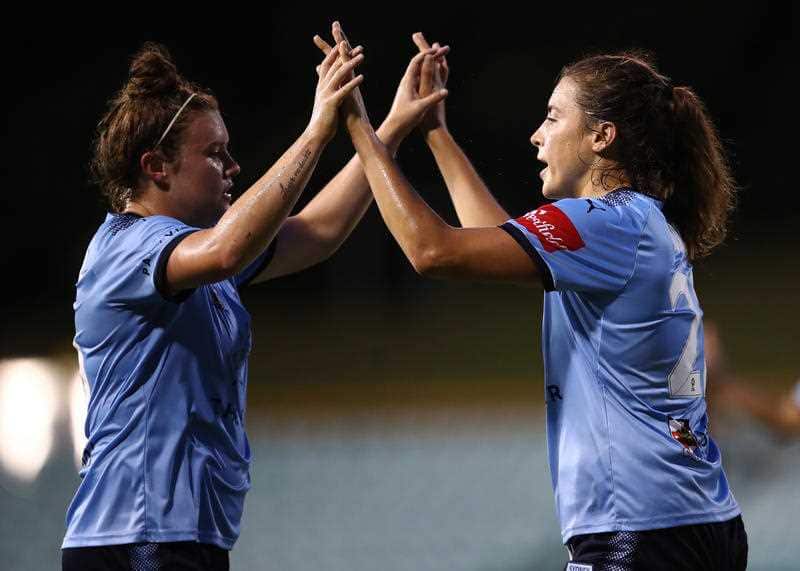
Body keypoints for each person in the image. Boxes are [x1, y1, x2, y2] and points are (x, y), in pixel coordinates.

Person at [333, 21, 747, 570]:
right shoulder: (635, 223)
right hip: (696, 520)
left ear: (602, 137)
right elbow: (492, 242)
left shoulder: (605, 224)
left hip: (639, 530)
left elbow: (431, 251)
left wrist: (360, 127)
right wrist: (437, 132)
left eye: (554, 117)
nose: (536, 135)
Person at [62, 33, 446, 570]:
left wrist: (389, 129)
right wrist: (318, 129)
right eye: (214, 154)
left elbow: (318, 231)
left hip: (182, 539)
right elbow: (228, 248)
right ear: (156, 167)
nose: (232, 167)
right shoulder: (127, 248)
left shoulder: (193, 256)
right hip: (137, 538)